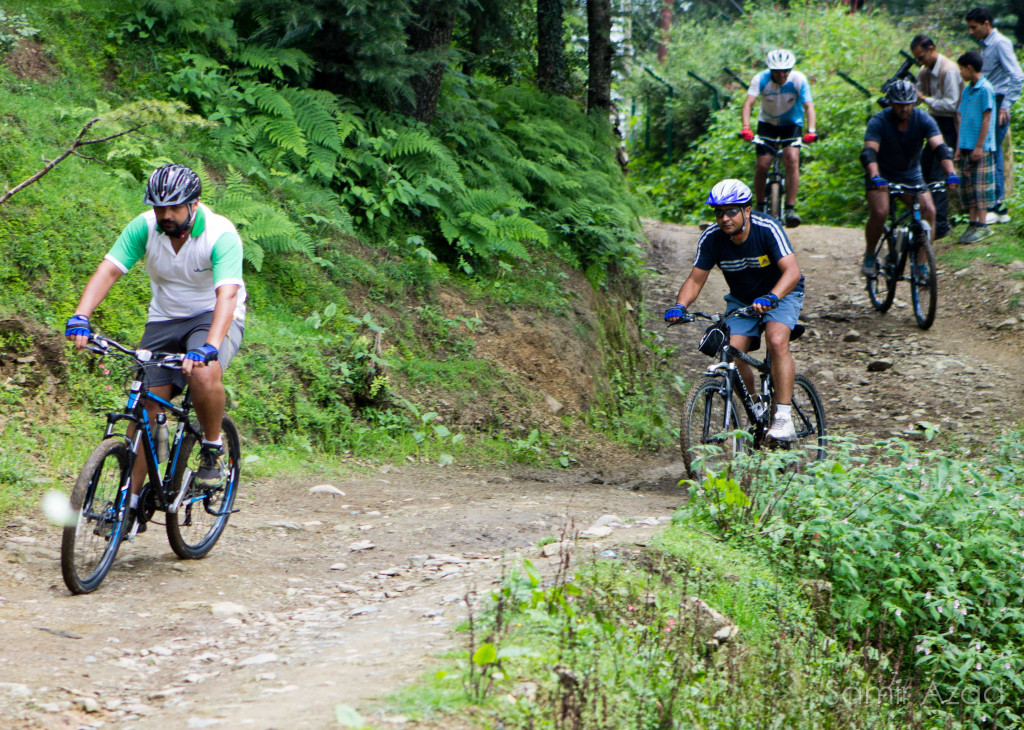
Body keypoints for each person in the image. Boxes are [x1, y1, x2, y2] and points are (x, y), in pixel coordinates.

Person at [65, 163, 246, 530]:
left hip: (213, 315)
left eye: (173, 208)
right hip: (164, 318)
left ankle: (212, 449)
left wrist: (208, 346)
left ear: (193, 204)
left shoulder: (220, 234)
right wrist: (81, 316)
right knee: (147, 406)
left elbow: (227, 294)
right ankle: (128, 506)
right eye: (159, 207)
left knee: (203, 373)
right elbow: (109, 270)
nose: (165, 215)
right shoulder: (144, 227)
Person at [664, 179, 804, 441]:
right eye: (719, 213)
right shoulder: (712, 239)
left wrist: (773, 296)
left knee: (776, 340)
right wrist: (680, 306)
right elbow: (695, 280)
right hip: (742, 301)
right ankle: (756, 408)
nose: (725, 218)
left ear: (747, 210)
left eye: (731, 211)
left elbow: (792, 272)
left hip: (781, 293)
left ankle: (784, 417)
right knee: (733, 352)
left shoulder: (767, 228)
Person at [860, 80, 960, 277]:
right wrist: (875, 176)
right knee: (880, 212)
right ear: (890, 103)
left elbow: (940, 148)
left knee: (929, 211)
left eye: (908, 104)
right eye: (899, 104)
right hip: (881, 175)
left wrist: (951, 173)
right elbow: (869, 153)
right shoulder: (879, 121)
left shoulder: (923, 119)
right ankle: (870, 255)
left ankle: (921, 265)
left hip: (911, 175)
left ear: (915, 103)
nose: (904, 108)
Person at [740, 49, 817, 227]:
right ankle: (760, 205)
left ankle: (790, 208)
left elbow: (809, 107)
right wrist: (746, 128)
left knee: (791, 159)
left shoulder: (798, 79)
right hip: (767, 124)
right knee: (762, 164)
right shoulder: (761, 79)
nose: (782, 75)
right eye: (777, 71)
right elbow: (748, 104)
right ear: (770, 70)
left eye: (786, 71)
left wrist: (811, 130)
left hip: (792, 124)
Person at [966, 7, 1023, 224]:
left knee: (992, 152)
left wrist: (1006, 106)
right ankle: (996, 206)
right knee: (993, 150)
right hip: (990, 101)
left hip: (998, 103)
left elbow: (1017, 76)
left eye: (974, 27)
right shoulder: (986, 45)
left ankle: (997, 207)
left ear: (986, 24)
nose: (971, 32)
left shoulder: (1000, 43)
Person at [912, 34, 963, 240]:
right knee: (923, 170)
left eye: (921, 57)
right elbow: (918, 95)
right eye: (917, 59)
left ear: (931, 49)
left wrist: (925, 99)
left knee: (938, 175)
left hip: (950, 124)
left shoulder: (948, 70)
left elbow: (952, 104)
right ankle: (922, 219)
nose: (919, 62)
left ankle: (940, 225)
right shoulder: (924, 71)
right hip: (933, 123)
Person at [955, 51, 997, 243]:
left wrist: (979, 146)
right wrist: (959, 145)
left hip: (980, 148)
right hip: (965, 146)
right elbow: (962, 118)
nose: (960, 72)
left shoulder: (985, 89)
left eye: (961, 69)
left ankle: (982, 225)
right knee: (969, 188)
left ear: (969, 68)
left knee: (980, 188)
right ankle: (972, 224)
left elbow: (987, 119)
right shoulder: (967, 90)